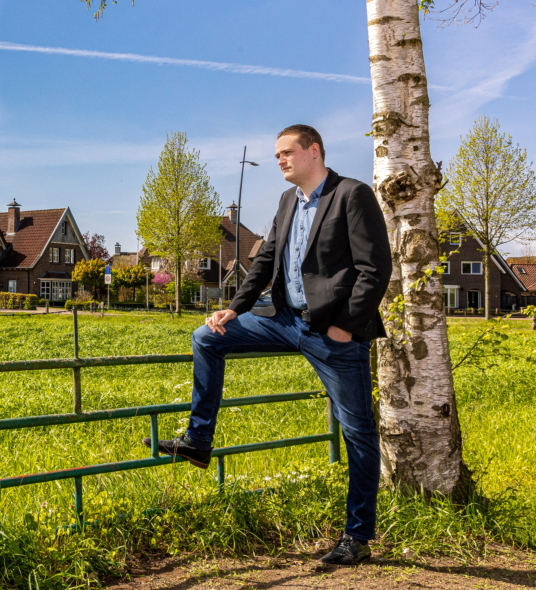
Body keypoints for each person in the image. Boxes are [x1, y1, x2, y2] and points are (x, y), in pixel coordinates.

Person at [153, 124, 391, 566]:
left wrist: (344, 326)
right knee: (207, 336)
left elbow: (375, 269)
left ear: (313, 151)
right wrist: (234, 309)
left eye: (287, 152)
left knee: (358, 431)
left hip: (333, 334)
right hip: (283, 321)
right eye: (277, 154)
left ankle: (356, 536)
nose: (279, 160)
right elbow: (265, 262)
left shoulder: (352, 195)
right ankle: (199, 439)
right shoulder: (287, 201)